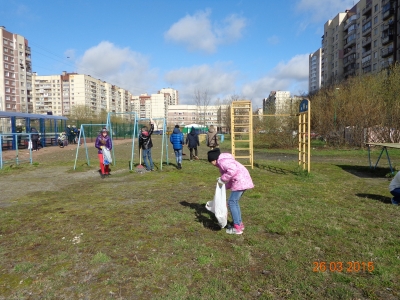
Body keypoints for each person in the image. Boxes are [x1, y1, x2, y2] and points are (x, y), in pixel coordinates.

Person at [208, 148, 254, 235]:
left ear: (214, 160)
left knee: (232, 202)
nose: (212, 165)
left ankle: (237, 228)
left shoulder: (223, 162)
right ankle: (239, 224)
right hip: (243, 181)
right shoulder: (225, 161)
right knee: (234, 202)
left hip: (240, 181)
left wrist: (222, 179)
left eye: (211, 162)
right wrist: (224, 186)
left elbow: (232, 171)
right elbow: (231, 177)